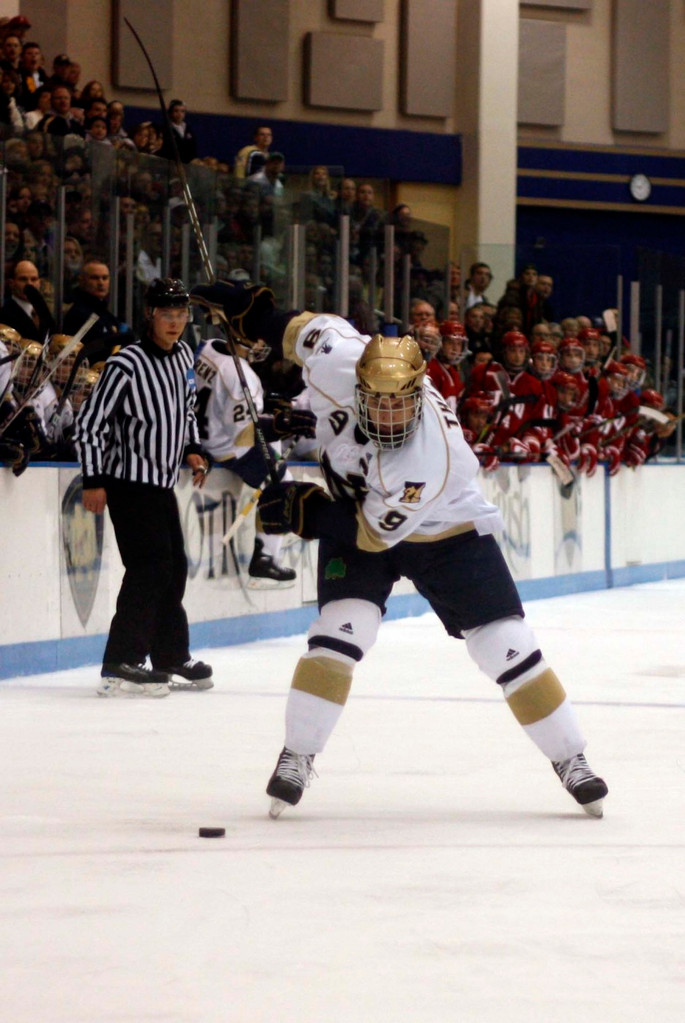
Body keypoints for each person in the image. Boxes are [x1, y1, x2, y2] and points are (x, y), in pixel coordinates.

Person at [188, 283, 609, 820]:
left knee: (506, 646)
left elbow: (370, 533)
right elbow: (298, 330)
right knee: (339, 635)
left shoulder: (428, 460)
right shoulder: (340, 356)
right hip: (363, 507)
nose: (388, 417)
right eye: (377, 403)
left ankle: (571, 758)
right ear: (358, 383)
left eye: (401, 404)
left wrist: (305, 512)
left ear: (420, 391)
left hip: (444, 530)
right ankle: (297, 754)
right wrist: (255, 313)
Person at [75, 278, 213, 698]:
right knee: (150, 567)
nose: (175, 323)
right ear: (150, 315)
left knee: (173, 567)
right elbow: (89, 424)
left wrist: (190, 447)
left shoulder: (184, 356)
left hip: (161, 482)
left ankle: (170, 655)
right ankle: (122, 660)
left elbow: (187, 407)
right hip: (126, 482)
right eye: (167, 314)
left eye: (181, 314)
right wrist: (94, 480)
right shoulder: (126, 364)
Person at [193, 328, 316, 586]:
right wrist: (283, 423)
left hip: (196, 434)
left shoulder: (208, 347)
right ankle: (265, 556)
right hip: (223, 447)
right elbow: (244, 436)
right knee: (283, 481)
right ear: (241, 337)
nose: (262, 344)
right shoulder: (244, 378)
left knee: (277, 453)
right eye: (257, 338)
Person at [62, 258, 131, 347]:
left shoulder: (104, 312)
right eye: (94, 278)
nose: (101, 283)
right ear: (81, 280)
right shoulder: (78, 312)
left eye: (105, 278)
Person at [0, 259, 53, 340]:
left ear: (39, 282)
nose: (29, 284)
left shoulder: (43, 310)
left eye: (34, 279)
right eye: (23, 279)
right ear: (11, 283)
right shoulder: (5, 314)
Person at [158, 98, 197, 163]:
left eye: (182, 111)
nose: (179, 114)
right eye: (176, 111)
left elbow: (193, 149)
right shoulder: (165, 129)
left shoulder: (188, 129)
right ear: (170, 113)